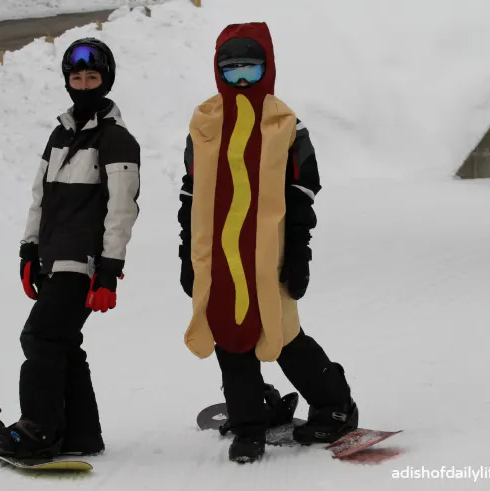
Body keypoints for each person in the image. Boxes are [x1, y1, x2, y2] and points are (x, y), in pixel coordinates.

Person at [177, 22, 358, 464]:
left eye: (251, 70)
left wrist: (298, 253)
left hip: (268, 255)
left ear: (268, 69)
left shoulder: (287, 125)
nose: (240, 81)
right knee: (228, 334)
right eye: (232, 69)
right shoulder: (204, 124)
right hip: (218, 256)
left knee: (284, 332)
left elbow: (303, 195)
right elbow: (190, 192)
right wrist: (187, 252)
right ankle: (248, 426)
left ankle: (335, 405)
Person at [0, 38, 141, 459]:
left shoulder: (117, 140)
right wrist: (28, 251)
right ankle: (81, 435)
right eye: (77, 76)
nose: (84, 83)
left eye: (93, 76)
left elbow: (122, 210)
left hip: (85, 261)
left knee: (40, 337)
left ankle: (39, 428)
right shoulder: (60, 134)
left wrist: (109, 271)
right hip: (53, 258)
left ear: (106, 80)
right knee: (61, 342)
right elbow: (40, 197)